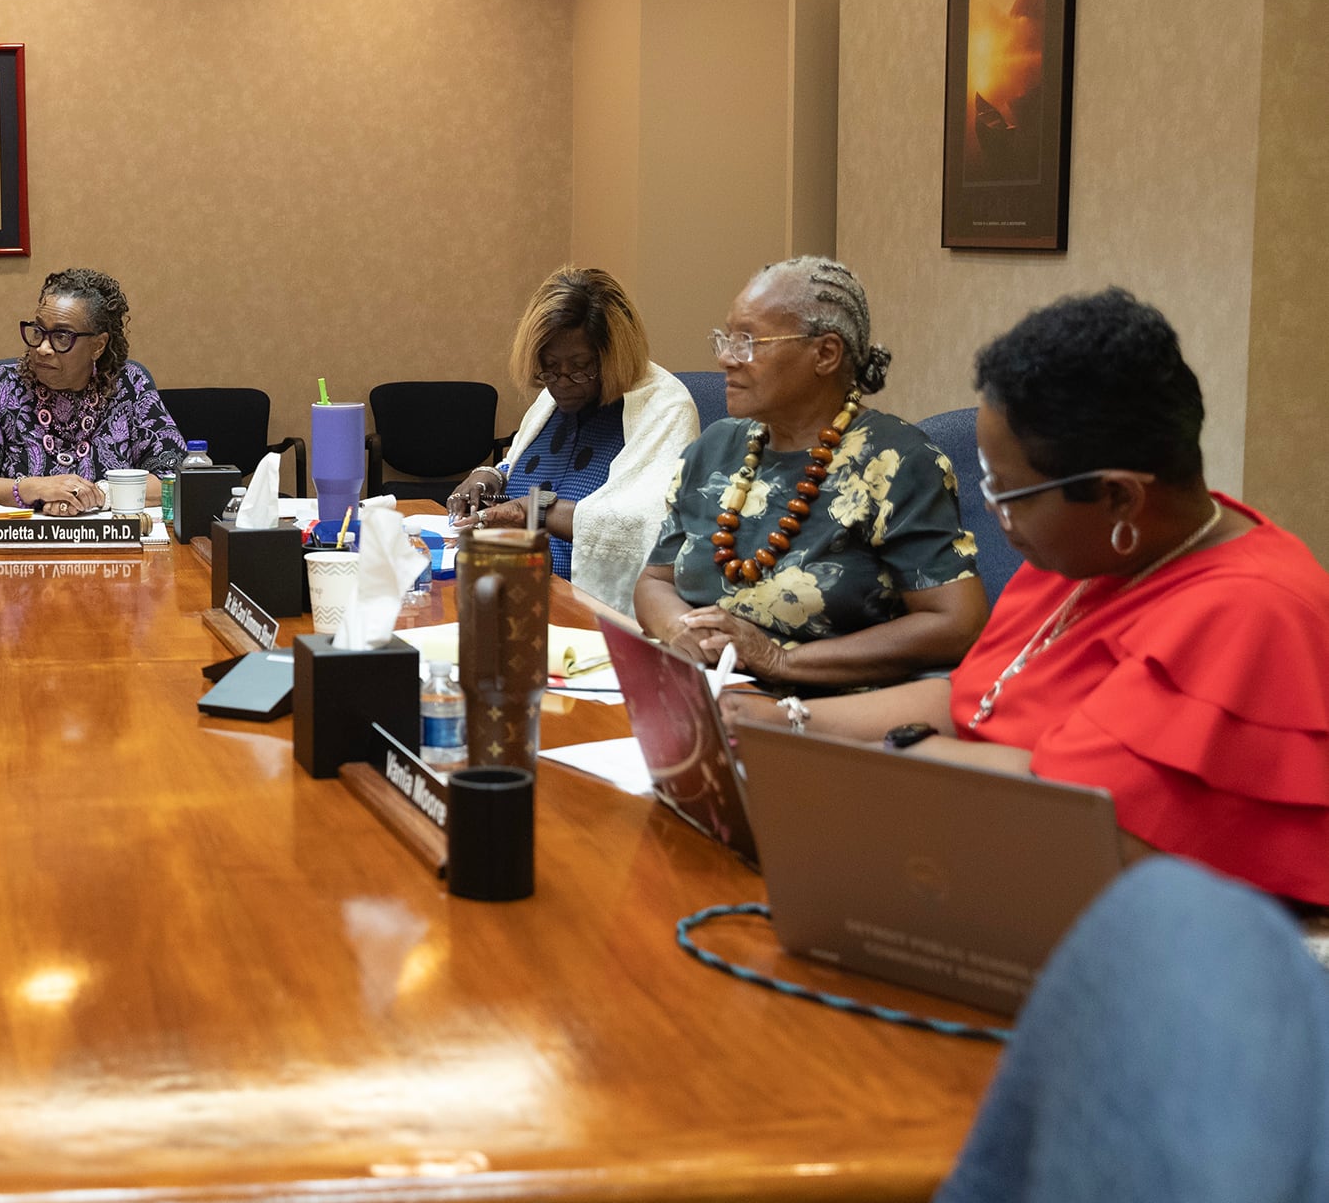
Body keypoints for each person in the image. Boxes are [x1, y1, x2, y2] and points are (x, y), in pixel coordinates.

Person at [726, 290, 1329, 906]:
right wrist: (780, 722)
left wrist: (894, 755)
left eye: (1010, 492)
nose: (992, 508)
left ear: (1120, 496)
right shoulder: (1100, 548)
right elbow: (974, 698)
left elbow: (1075, 817)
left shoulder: (1249, 612)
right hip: (984, 845)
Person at [634, 256, 986, 690]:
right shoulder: (715, 447)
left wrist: (776, 660)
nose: (726, 358)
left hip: (822, 713)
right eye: (726, 339)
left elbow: (956, 624)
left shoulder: (896, 461)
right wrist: (680, 631)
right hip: (702, 693)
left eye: (748, 341)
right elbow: (654, 581)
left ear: (825, 354)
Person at [446, 266, 699, 614]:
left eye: (581, 367)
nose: (562, 382)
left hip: (585, 611)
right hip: (511, 589)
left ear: (614, 356)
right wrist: (488, 476)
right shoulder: (554, 398)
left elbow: (652, 527)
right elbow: (517, 462)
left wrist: (535, 510)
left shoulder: (664, 407)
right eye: (548, 368)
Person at [0, 267, 188, 514]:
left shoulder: (129, 386)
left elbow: (177, 480)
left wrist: (98, 494)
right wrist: (32, 488)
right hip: (20, 543)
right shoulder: (2, 387)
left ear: (97, 345)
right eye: (38, 331)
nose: (43, 348)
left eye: (61, 336)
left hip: (109, 544)